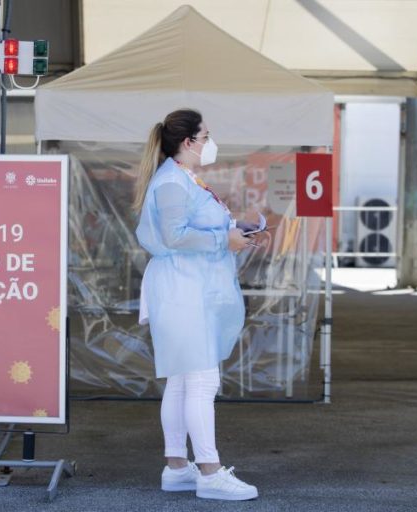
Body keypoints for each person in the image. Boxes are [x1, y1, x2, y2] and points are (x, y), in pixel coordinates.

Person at [134, 109, 258, 501]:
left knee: (183, 379)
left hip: (185, 290)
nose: (210, 143)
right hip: (182, 291)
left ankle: (177, 468)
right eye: (206, 136)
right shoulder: (173, 182)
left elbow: (188, 228)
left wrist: (234, 228)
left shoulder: (182, 179)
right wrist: (226, 240)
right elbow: (174, 235)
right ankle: (209, 471)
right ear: (188, 142)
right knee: (202, 380)